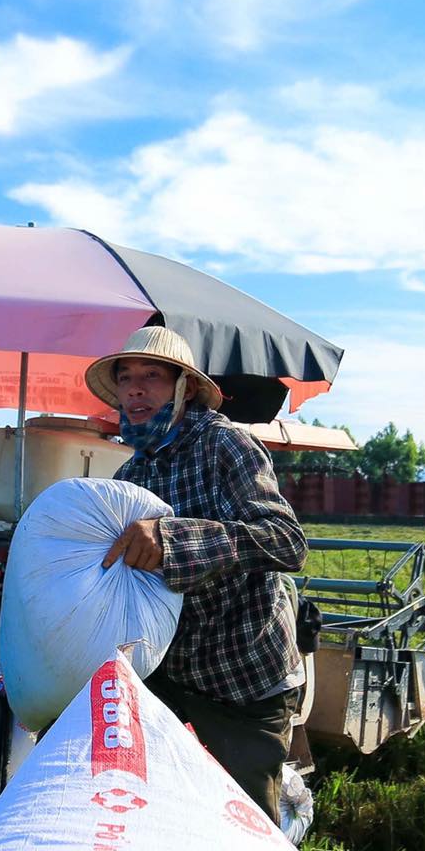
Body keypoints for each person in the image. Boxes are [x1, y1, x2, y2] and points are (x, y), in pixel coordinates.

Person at [87, 328, 308, 820]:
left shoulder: (226, 446)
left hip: (243, 675)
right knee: (167, 815)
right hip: (170, 673)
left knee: (247, 827)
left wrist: (175, 539)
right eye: (126, 379)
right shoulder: (131, 476)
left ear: (184, 387)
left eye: (152, 377)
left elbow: (286, 542)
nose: (136, 390)